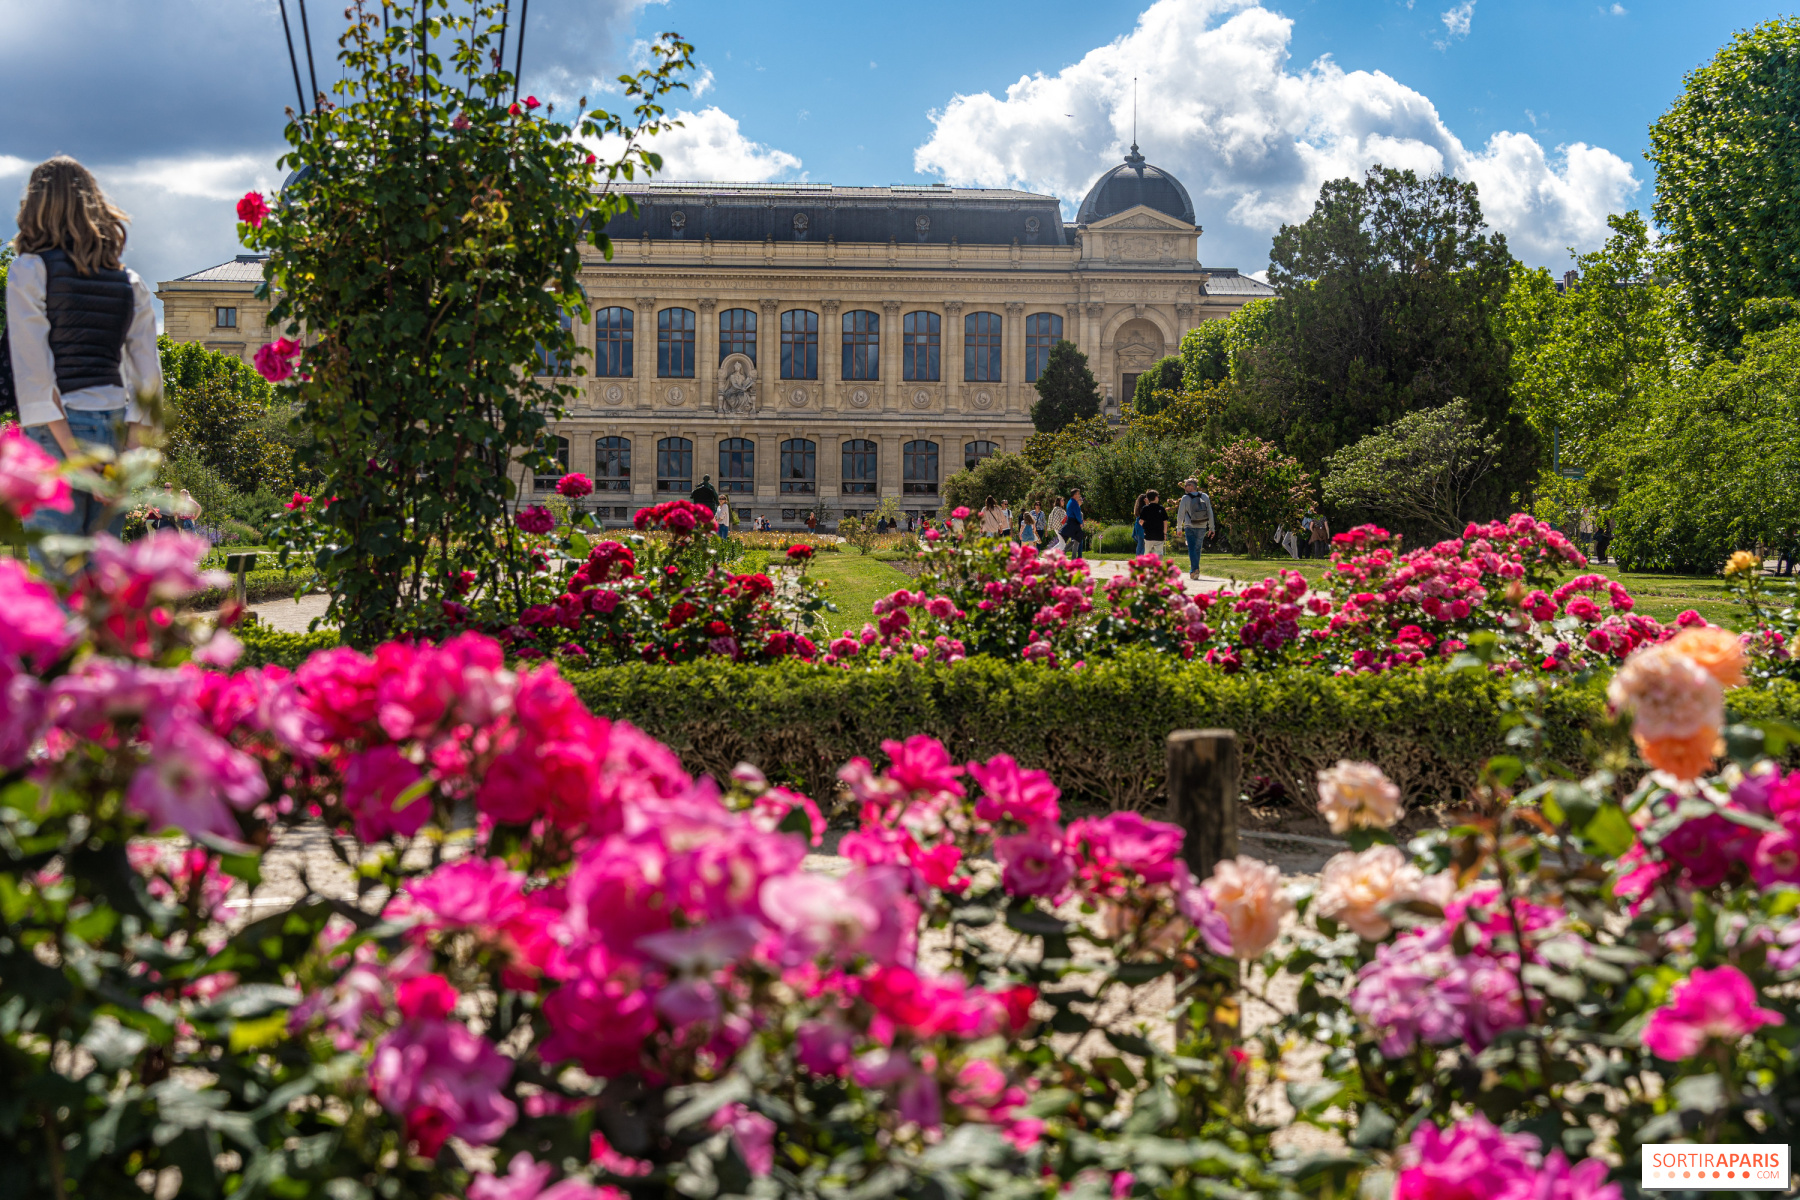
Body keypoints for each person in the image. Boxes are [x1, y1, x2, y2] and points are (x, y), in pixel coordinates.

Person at [7, 156, 161, 562]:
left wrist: (74, 459)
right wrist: (129, 456)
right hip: (114, 431)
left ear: (35, 206)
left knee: (57, 576)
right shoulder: (130, 282)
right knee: (98, 581)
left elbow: (35, 378)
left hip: (57, 431)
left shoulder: (29, 270)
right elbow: (148, 382)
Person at [1175, 478, 1215, 580]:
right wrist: (1211, 527)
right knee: (1197, 548)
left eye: (1186, 485)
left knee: (1192, 548)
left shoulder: (1185, 498)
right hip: (1202, 526)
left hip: (1190, 526)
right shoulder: (1205, 496)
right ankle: (1195, 570)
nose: (1184, 487)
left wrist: (1179, 527)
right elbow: (1210, 512)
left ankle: (1195, 570)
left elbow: (1180, 514)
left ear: (1192, 486)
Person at [1139, 489, 1169, 558]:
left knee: (1147, 553)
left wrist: (1145, 526)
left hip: (1148, 535)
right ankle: (1158, 567)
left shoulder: (1145, 508)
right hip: (1159, 535)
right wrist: (1165, 533)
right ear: (1155, 497)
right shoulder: (1161, 508)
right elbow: (1165, 522)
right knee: (1159, 553)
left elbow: (1141, 521)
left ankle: (1147, 567)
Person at [1064, 490, 1087, 557]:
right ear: (1075, 495)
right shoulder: (1074, 503)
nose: (1079, 495)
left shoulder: (1071, 502)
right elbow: (1077, 515)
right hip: (1074, 523)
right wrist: (1081, 523)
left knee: (1076, 540)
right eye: (1078, 494)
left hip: (1073, 523)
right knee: (1077, 540)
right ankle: (1073, 556)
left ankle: (1074, 556)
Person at [1132, 493, 1148, 557]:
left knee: (1140, 543)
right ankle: (1140, 558)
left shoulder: (1138, 508)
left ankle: (1138, 558)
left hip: (1137, 526)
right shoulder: (1145, 508)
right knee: (1143, 543)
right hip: (1142, 525)